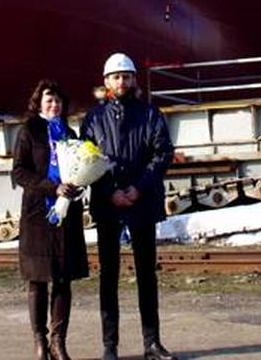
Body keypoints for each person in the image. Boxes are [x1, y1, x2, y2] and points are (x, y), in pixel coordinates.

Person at [81, 53, 177, 360]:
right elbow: (86, 160)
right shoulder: (93, 118)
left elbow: (162, 154)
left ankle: (152, 342)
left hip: (142, 201)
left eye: (126, 76)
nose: (122, 81)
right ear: (106, 82)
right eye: (116, 77)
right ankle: (110, 346)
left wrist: (138, 187)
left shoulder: (150, 114)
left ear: (133, 79)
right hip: (109, 204)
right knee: (108, 276)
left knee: (147, 274)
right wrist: (110, 192)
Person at [13, 80, 89, 360]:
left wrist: (79, 185)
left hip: (65, 215)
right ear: (38, 102)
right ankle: (40, 342)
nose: (54, 104)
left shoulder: (70, 133)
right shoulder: (29, 130)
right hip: (38, 215)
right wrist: (50, 187)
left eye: (57, 100)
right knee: (37, 279)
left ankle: (59, 342)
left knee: (63, 279)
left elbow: (79, 169)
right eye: (49, 99)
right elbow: (19, 172)